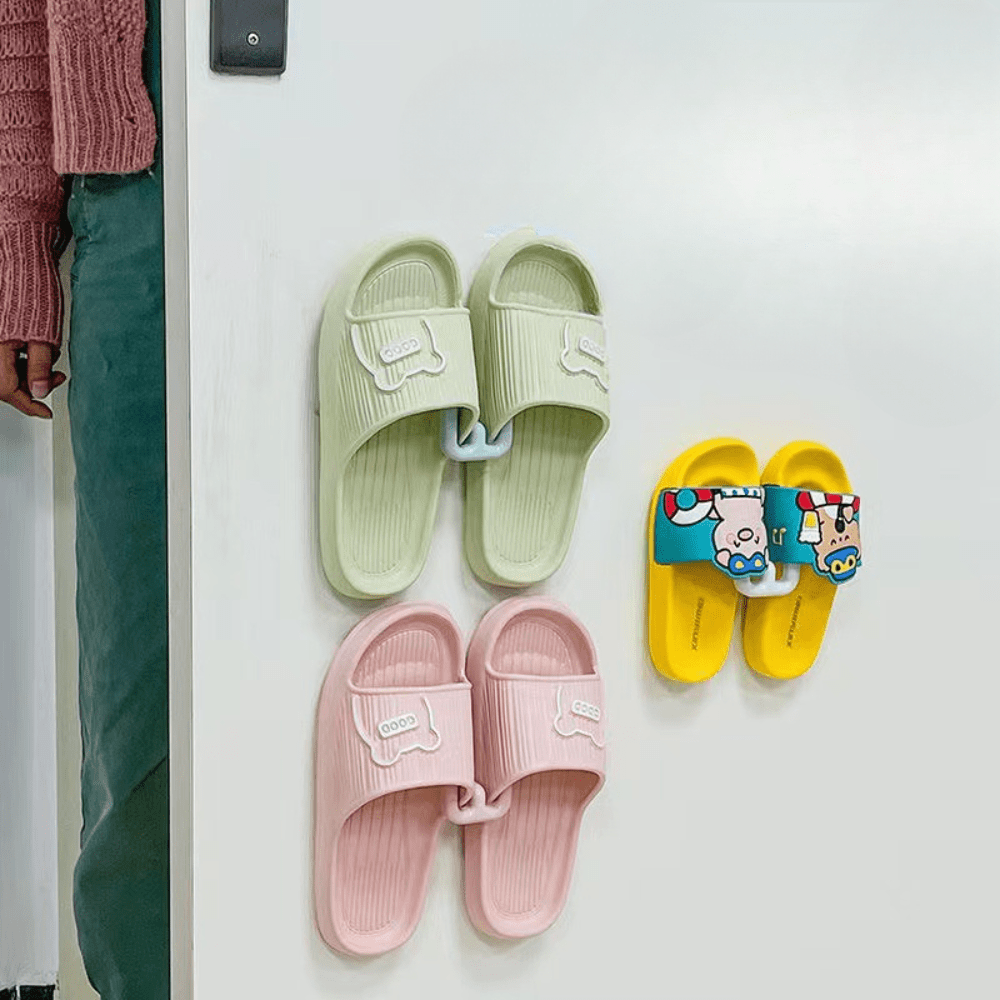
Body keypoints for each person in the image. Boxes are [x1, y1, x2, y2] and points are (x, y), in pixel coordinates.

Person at [0, 2, 169, 998]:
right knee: (135, 636)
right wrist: (21, 238)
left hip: (340, 143)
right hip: (132, 183)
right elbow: (25, 17)